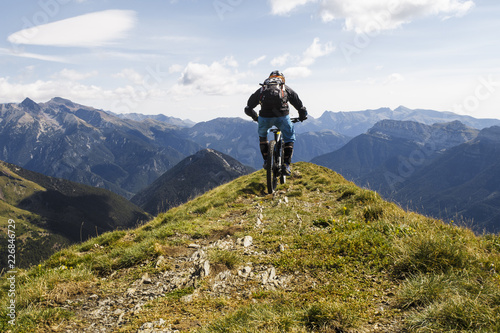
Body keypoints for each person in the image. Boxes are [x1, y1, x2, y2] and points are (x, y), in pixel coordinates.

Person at [244, 70, 308, 176]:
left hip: (264, 117)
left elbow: (248, 108)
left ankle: (266, 161)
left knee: (263, 136)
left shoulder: (262, 89)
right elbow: (299, 105)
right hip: (282, 116)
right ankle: (286, 165)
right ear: (282, 79)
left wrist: (256, 117)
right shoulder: (285, 88)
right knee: (289, 137)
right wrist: (302, 116)